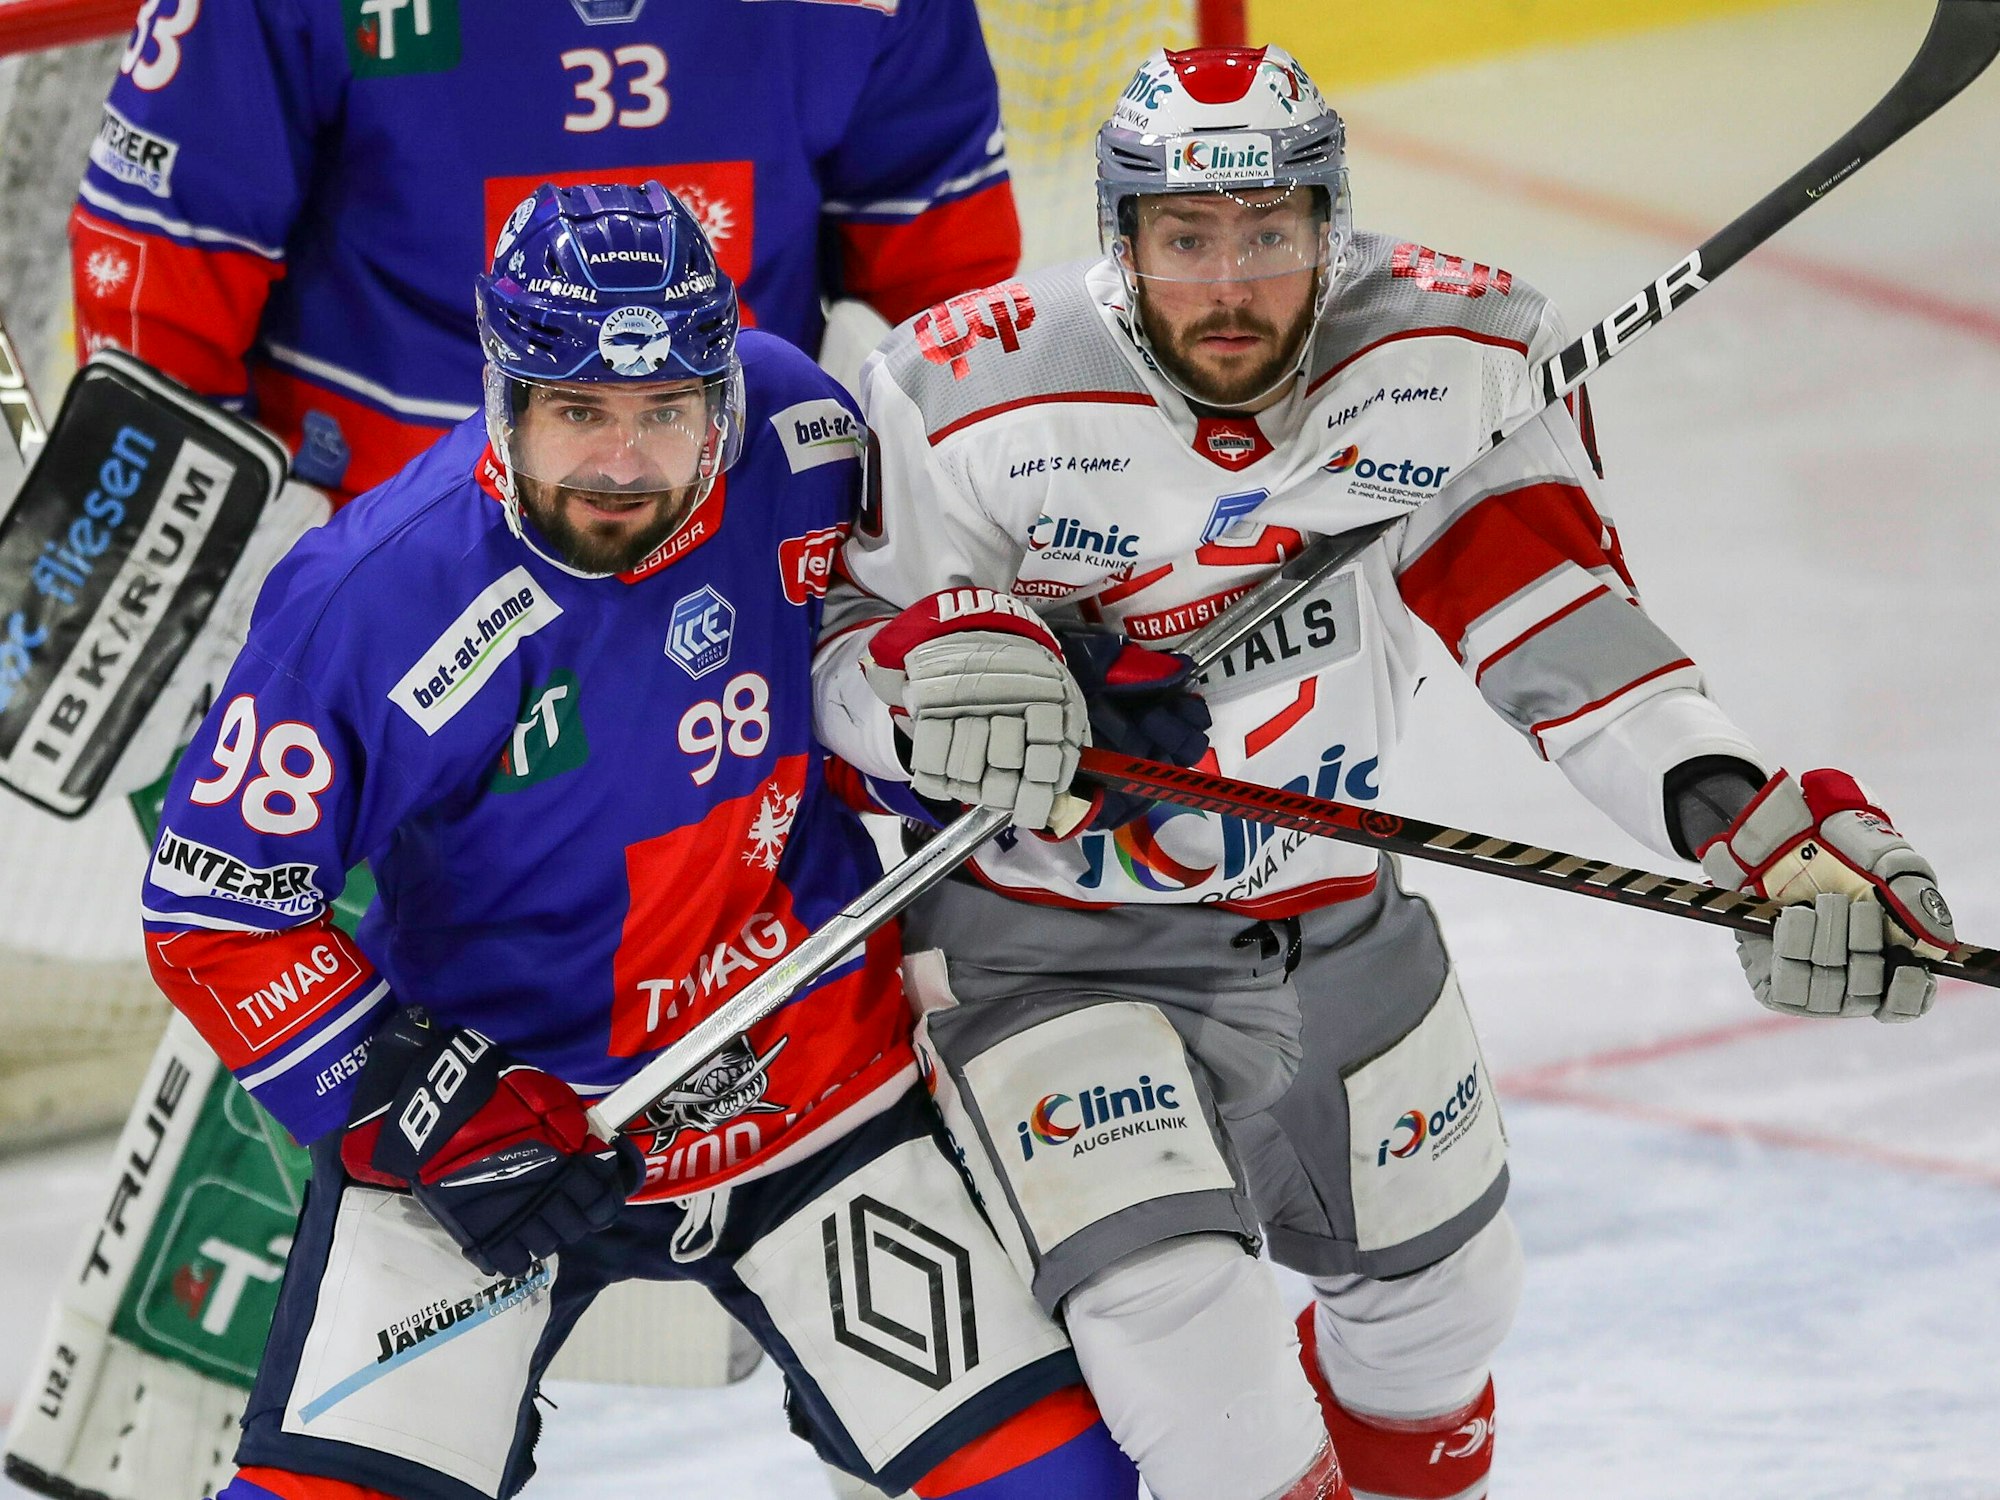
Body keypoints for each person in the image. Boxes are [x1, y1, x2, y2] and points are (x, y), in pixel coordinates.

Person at [811, 43, 1958, 1500]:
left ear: (1331, 226)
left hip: (1337, 914)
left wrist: (1749, 828)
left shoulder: (1444, 364)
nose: (1230, 287)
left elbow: (1561, 631)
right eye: (1186, 239)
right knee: (1205, 1377)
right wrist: (986, 692)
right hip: (1050, 953)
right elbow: (849, 665)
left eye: (1272, 235)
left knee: (1444, 1315)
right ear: (1122, 239)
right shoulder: (966, 393)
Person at [139, 181, 1138, 1500]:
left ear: (720, 392)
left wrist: (1048, 705)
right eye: (577, 413)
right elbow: (217, 906)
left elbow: (880, 667)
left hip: (799, 1086)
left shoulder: (803, 434)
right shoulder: (375, 597)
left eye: (666, 412)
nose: (622, 462)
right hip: (501, 1115)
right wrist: (416, 1105)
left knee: (1058, 1490)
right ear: (503, 396)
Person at [71, 0, 1018, 501]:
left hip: (731, 553)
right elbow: (163, 265)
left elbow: (954, 309)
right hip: (376, 558)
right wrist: (197, 545)